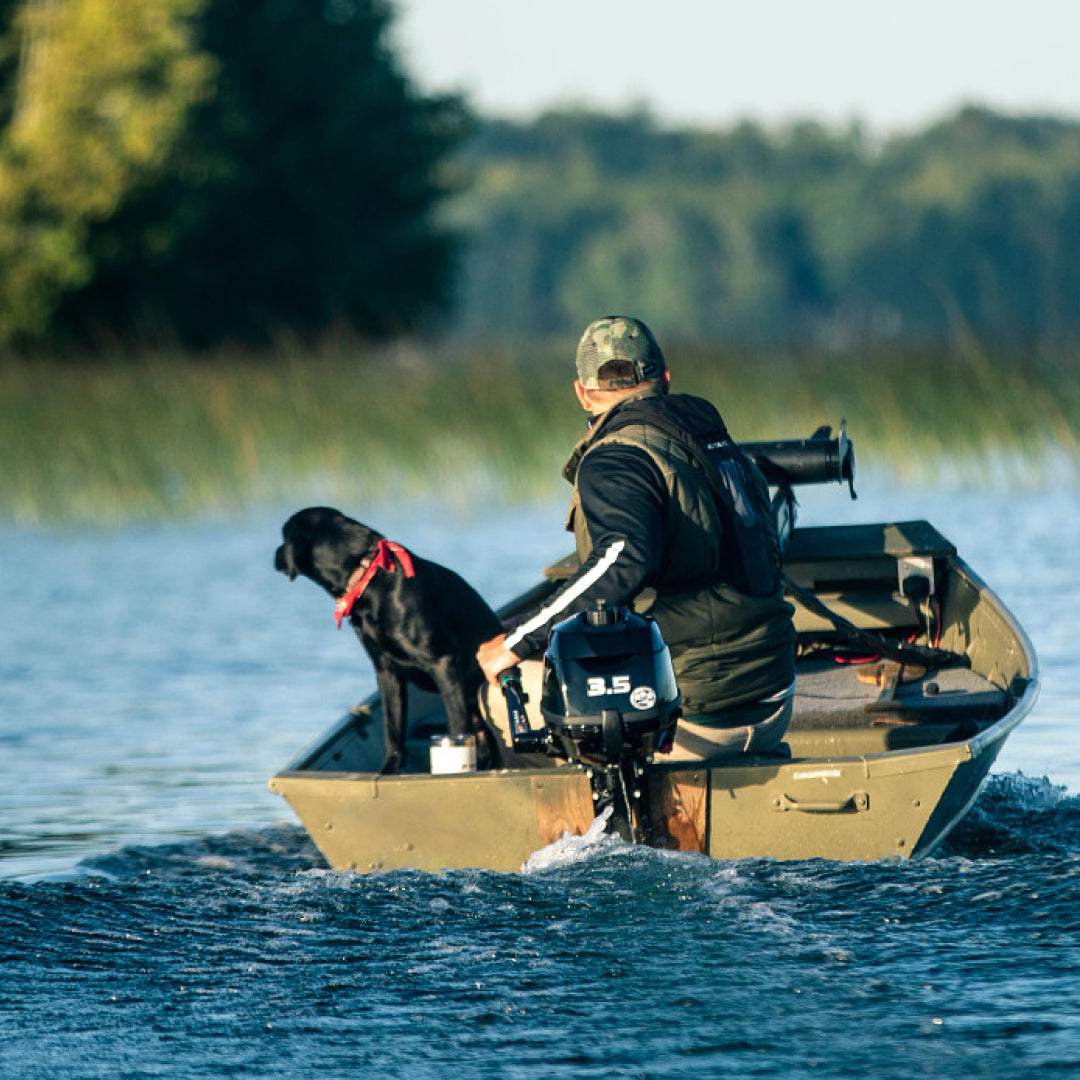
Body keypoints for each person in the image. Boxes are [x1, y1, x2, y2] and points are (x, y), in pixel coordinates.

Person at [476, 315, 796, 763]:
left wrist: (513, 644)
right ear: (664, 379)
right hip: (775, 700)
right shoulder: (714, 441)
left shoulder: (615, 459)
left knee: (494, 687)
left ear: (582, 393)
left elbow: (623, 557)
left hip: (695, 718)